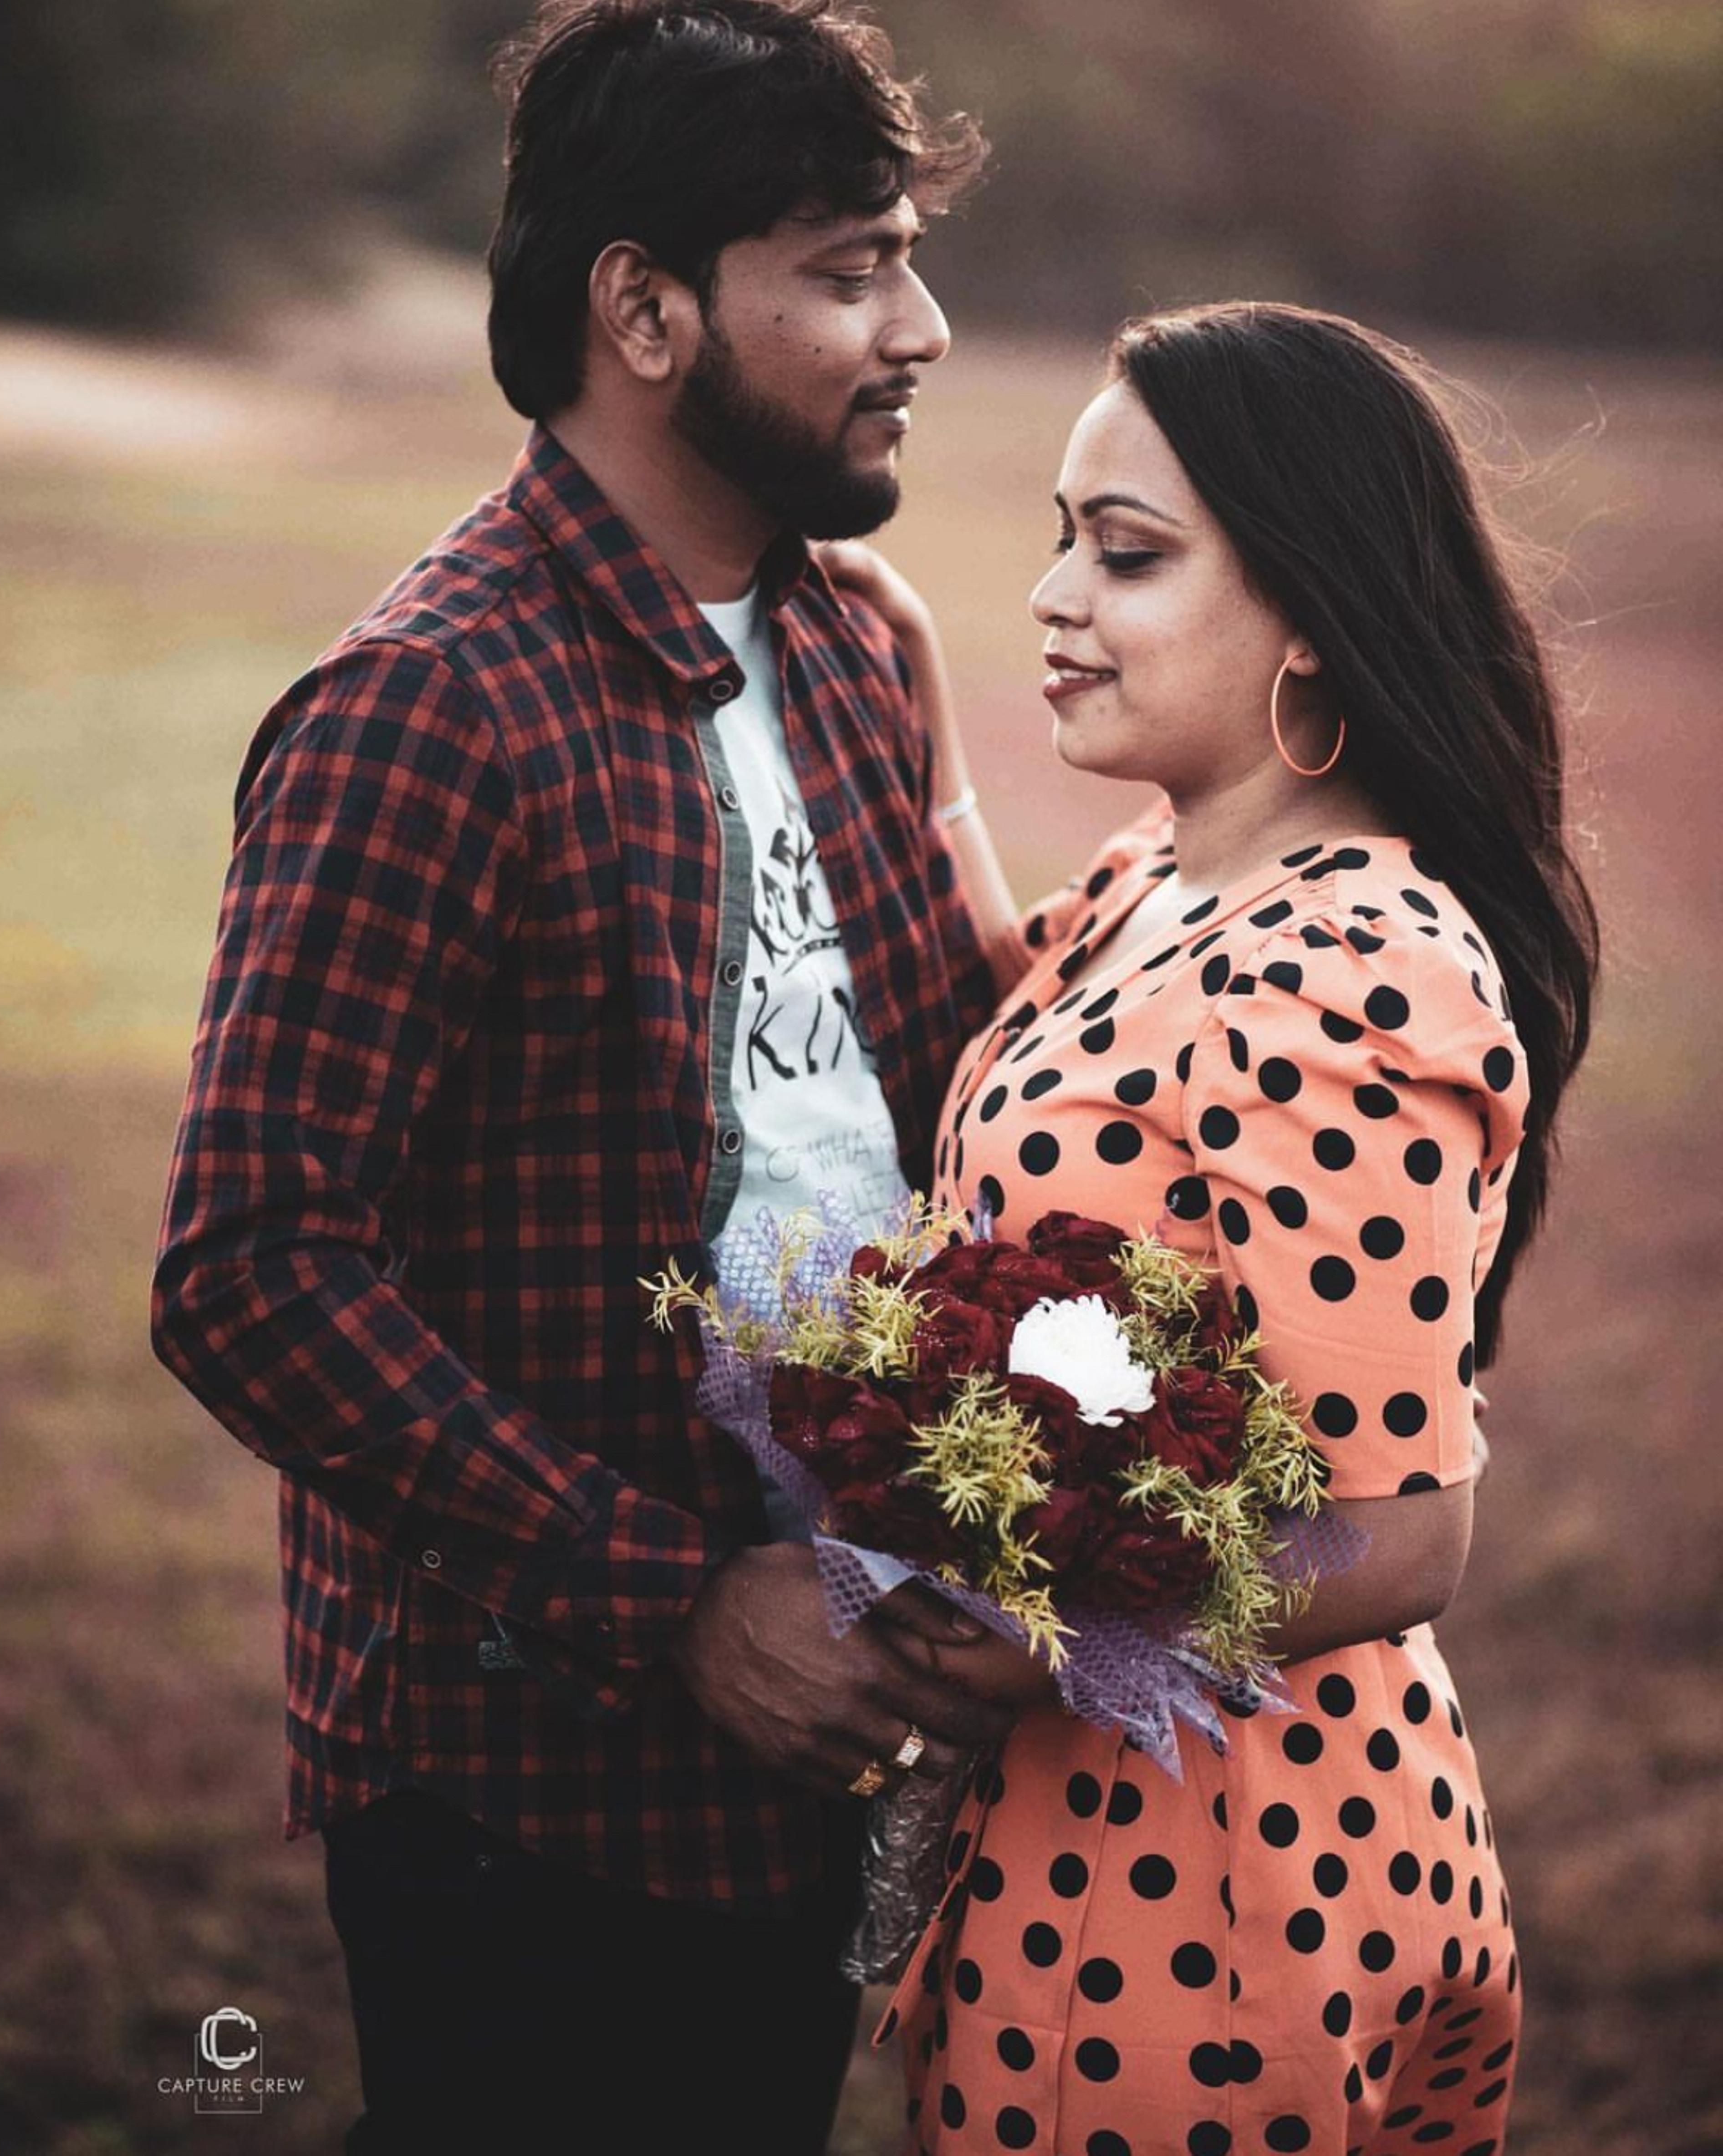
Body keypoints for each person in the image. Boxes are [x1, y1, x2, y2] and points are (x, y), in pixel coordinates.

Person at [148, 5, 1020, 2150]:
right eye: (845, 267)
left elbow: (943, 1099)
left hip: (841, 1740)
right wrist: (673, 1600)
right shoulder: (426, 708)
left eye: (906, 256)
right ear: (640, 305)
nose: (919, 323)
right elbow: (248, 1264)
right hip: (528, 1780)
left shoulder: (860, 638)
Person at [829, 301, 1599, 2154]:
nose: (1055, 595)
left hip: (1220, 1878)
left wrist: (1064, 1631)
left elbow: (1405, 1537)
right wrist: (907, 676)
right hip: (1086, 1831)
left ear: (1316, 608)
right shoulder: (1162, 885)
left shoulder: (1355, 967)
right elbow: (1019, 1054)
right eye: (1060, 535)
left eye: (1130, 553)